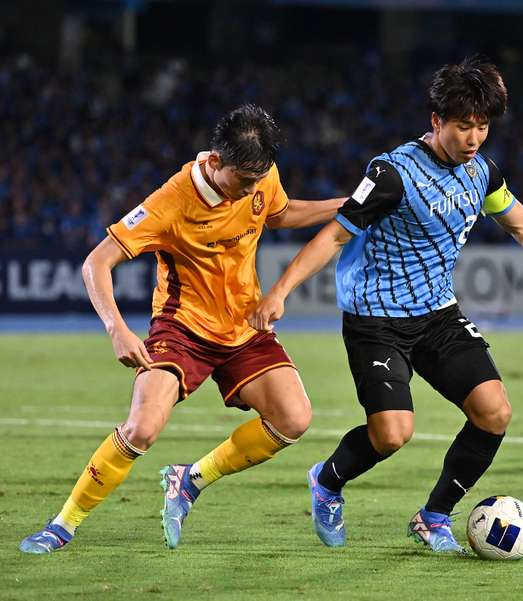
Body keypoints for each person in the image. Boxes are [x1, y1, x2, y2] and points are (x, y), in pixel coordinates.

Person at [249, 56, 523, 553]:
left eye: (483, 127)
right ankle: (328, 480)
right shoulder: (391, 173)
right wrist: (280, 291)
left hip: (437, 315)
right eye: (464, 126)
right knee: (393, 434)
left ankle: (434, 516)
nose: (474, 138)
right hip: (376, 320)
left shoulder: (482, 173)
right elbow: (333, 237)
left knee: (494, 412)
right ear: (437, 121)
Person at [19, 104, 346, 553]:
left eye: (258, 181)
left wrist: (344, 205)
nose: (252, 189)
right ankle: (63, 524)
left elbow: (280, 213)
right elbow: (96, 262)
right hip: (183, 327)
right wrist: (117, 328)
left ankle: (189, 480)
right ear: (214, 162)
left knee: (294, 418)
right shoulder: (171, 201)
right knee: (142, 427)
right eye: (244, 181)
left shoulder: (259, 172)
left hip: (243, 325)